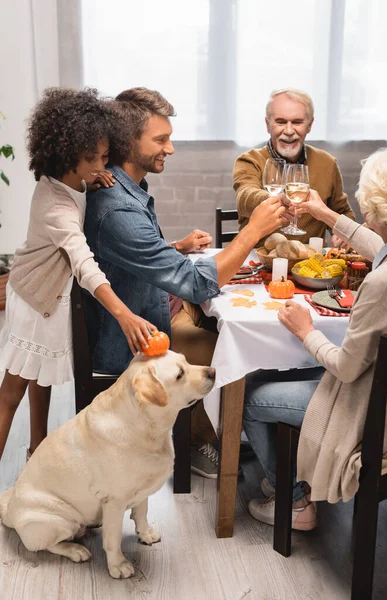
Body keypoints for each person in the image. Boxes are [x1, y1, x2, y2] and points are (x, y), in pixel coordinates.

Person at [83, 87, 288, 478]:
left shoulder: (129, 190)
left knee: (225, 323)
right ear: (128, 143)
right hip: (128, 343)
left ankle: (232, 429)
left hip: (154, 305)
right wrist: (251, 232)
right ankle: (206, 442)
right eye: (161, 139)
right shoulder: (118, 208)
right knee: (228, 343)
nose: (171, 149)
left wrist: (174, 247)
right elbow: (194, 285)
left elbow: (138, 262)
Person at [243, 147, 387, 530]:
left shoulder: (382, 284)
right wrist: (326, 215)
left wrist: (306, 331)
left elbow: (346, 368)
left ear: (375, 206)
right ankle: (290, 475)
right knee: (267, 378)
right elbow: (383, 251)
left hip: (371, 411)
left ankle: (295, 502)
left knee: (248, 393)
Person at [0, 88, 157, 462]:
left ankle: (36, 450)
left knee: (40, 380)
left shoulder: (76, 182)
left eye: (104, 157)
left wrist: (91, 176)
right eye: (90, 158)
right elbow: (83, 262)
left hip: (51, 297)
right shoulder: (55, 204)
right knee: (12, 391)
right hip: (36, 297)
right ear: (63, 152)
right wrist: (123, 313)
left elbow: (84, 188)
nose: (100, 165)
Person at [233, 88, 355, 245]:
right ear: (267, 124)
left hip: (310, 263)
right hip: (259, 262)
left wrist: (342, 233)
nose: (289, 131)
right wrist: (275, 199)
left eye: (297, 122)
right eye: (281, 122)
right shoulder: (249, 160)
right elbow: (245, 198)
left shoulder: (327, 163)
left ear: (310, 125)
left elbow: (342, 211)